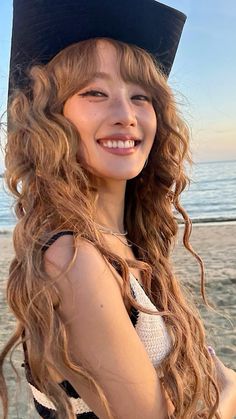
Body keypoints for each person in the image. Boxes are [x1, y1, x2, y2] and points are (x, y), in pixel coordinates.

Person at [0, 0, 236, 418]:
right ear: (49, 117)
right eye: (94, 92)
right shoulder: (74, 260)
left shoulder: (123, 242)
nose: (125, 114)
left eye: (140, 96)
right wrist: (228, 397)